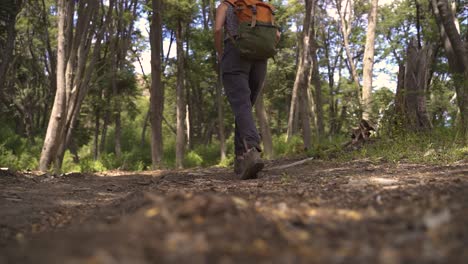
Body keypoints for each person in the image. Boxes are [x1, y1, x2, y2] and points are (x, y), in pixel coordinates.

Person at [214, 0, 279, 180]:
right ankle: (242, 159)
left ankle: (252, 147)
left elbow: (218, 30)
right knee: (244, 108)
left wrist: (221, 54)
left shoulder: (225, 5)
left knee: (241, 105)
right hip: (260, 59)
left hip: (235, 53)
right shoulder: (261, 6)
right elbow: (277, 36)